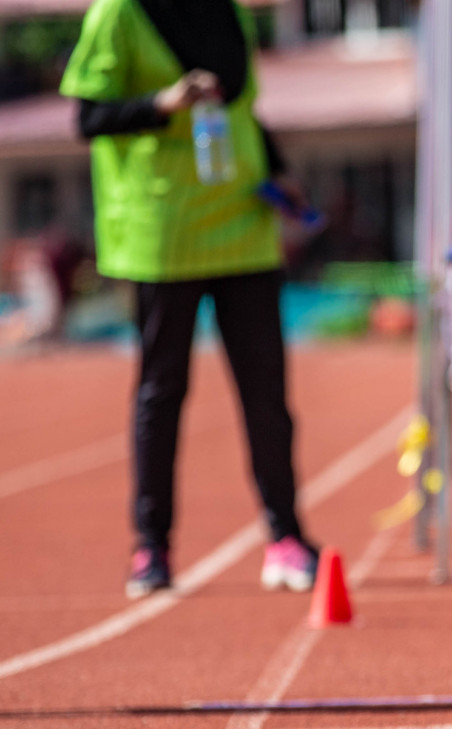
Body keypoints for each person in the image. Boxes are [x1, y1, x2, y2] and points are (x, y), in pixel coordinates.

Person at [60, 0, 319, 598]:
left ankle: (286, 538)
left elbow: (244, 110)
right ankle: (151, 547)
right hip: (163, 230)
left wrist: (278, 169)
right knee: (161, 390)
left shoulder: (227, 11)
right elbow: (88, 117)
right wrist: (163, 102)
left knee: (266, 393)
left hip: (243, 222)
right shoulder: (119, 14)